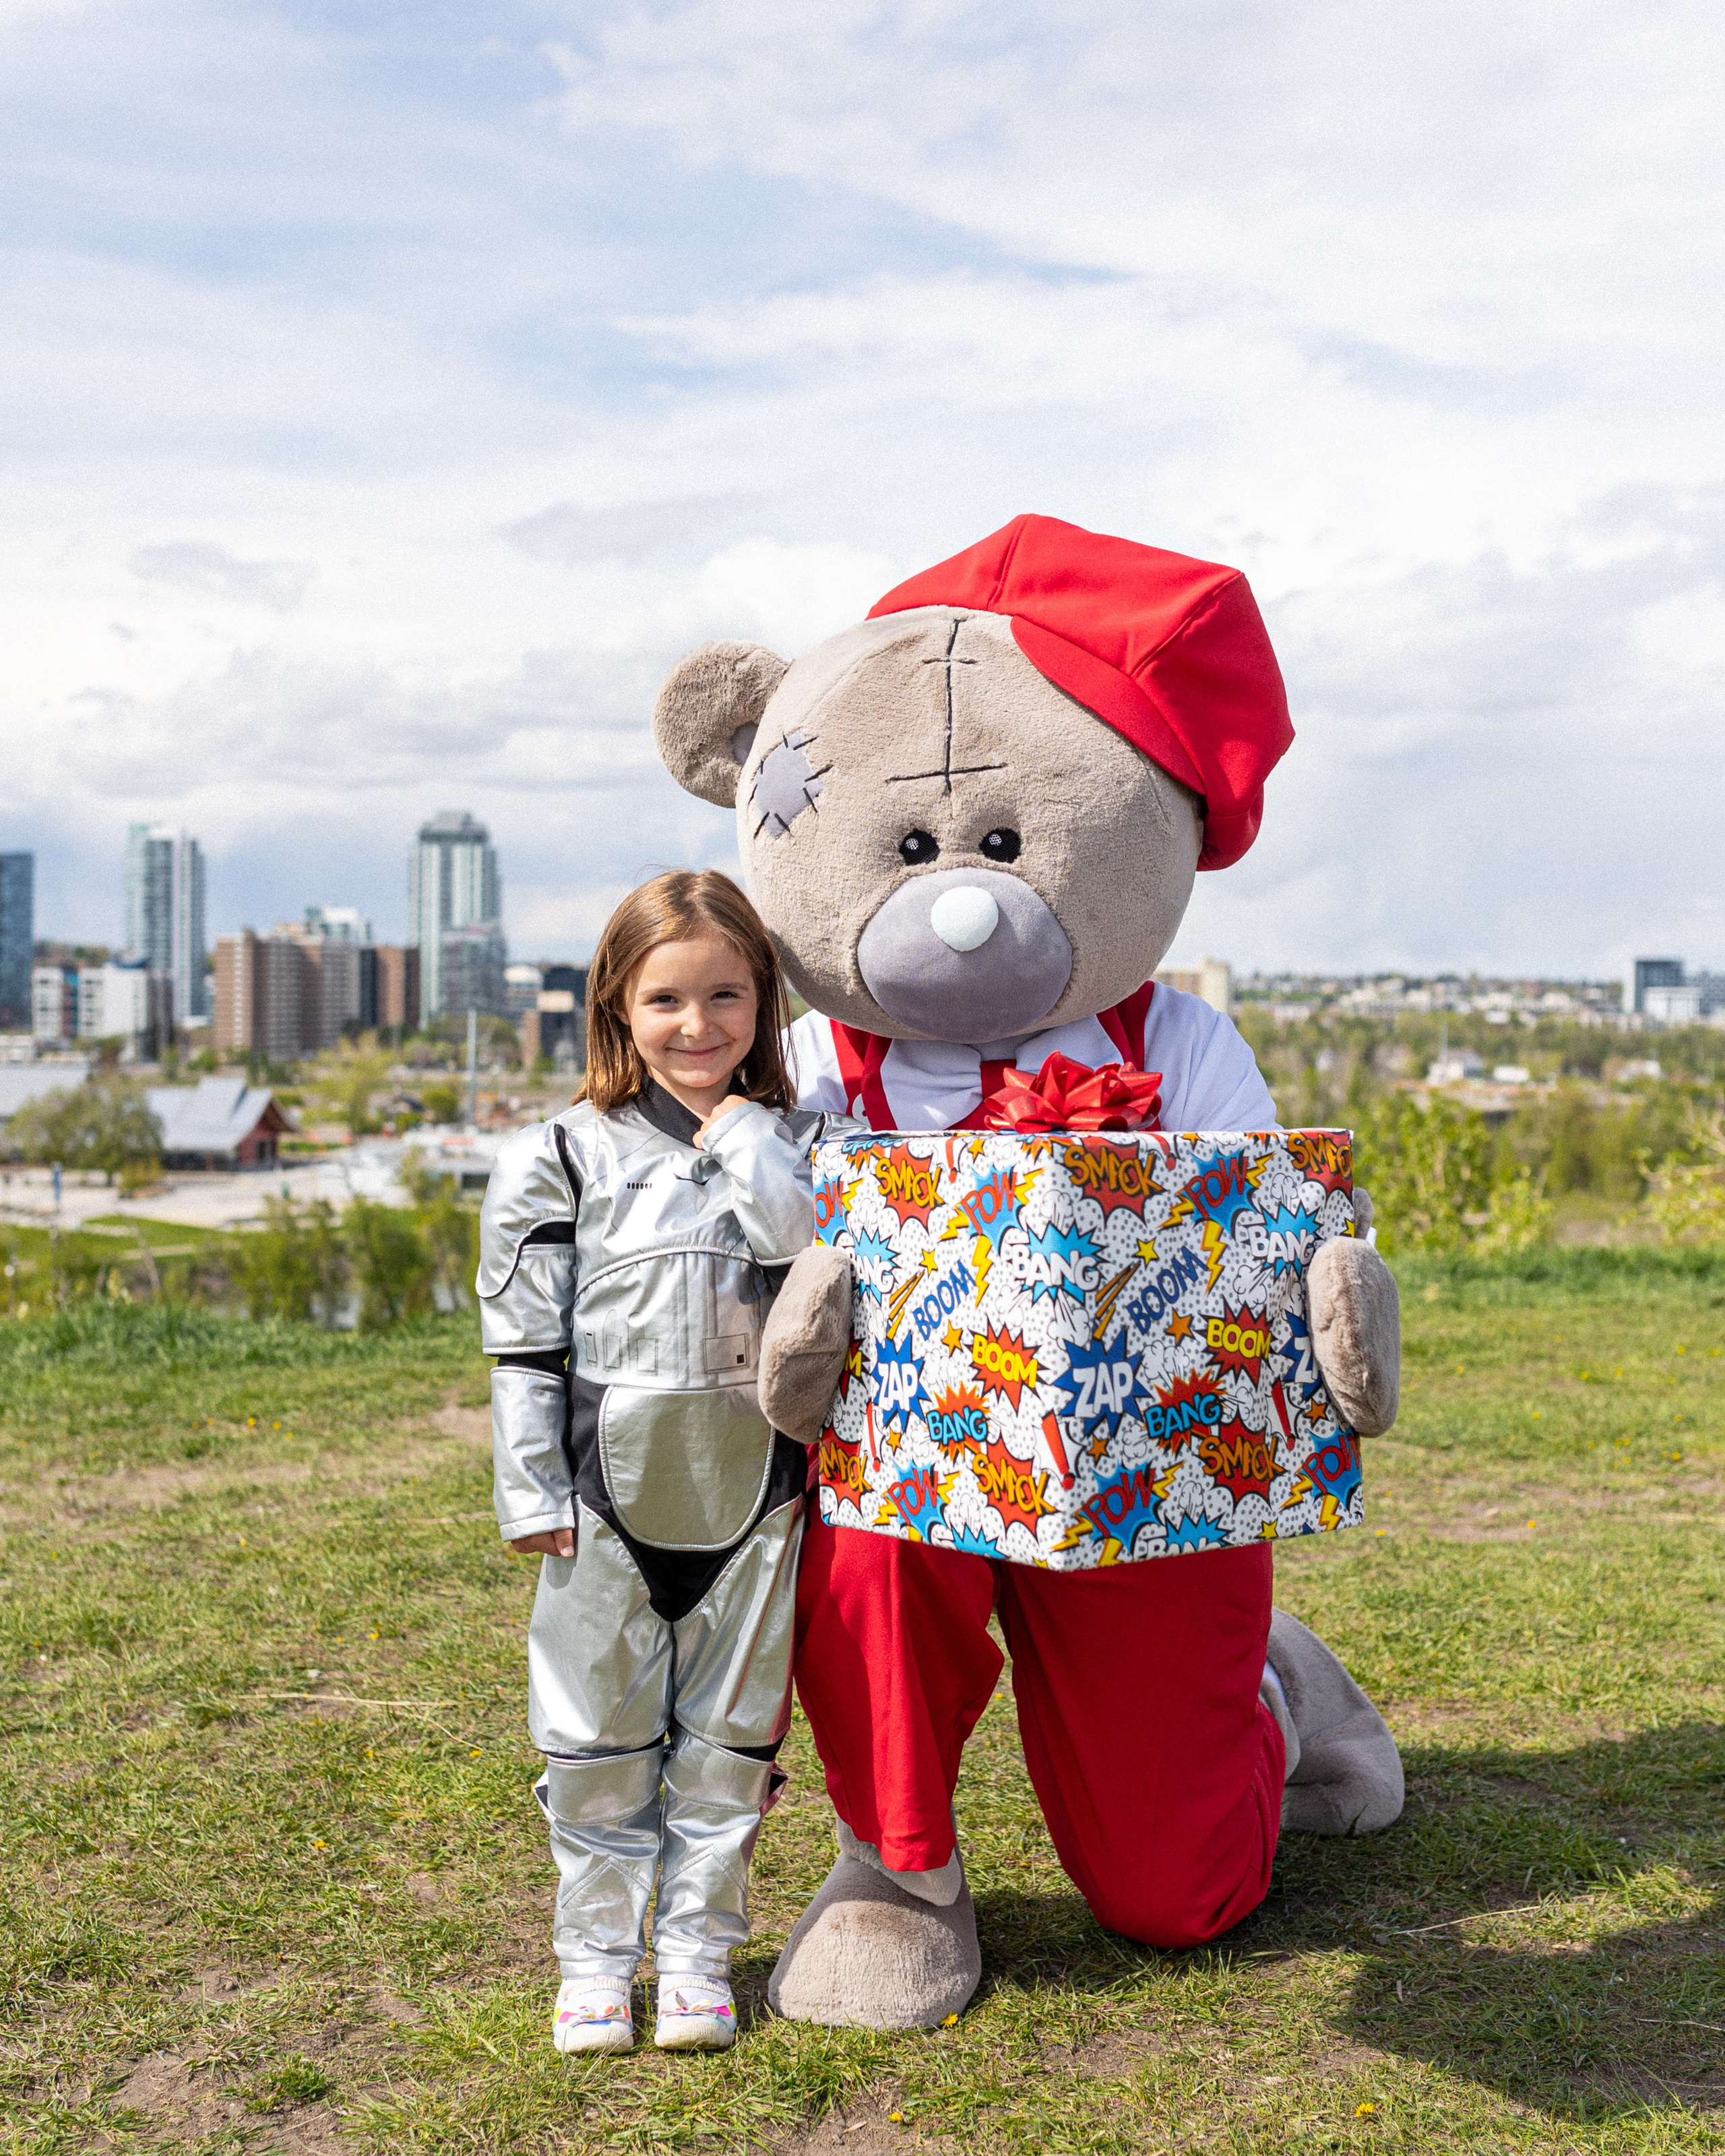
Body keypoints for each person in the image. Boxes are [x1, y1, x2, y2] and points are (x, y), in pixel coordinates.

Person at [476, 870, 849, 2055]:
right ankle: (593, 1961)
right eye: (667, 1002)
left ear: (765, 1003)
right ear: (616, 1010)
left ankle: (696, 1957)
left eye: (727, 998)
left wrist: (742, 1131)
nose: (699, 1028)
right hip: (602, 1501)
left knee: (731, 1749)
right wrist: (532, 1489)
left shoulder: (803, 1143)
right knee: (593, 1745)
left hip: (759, 1499)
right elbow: (524, 1346)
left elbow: (811, 1260)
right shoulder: (558, 1154)